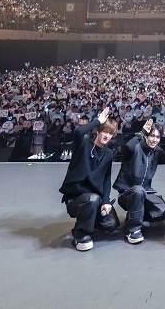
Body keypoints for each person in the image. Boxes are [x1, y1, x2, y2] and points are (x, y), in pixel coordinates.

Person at [58, 107, 121, 251]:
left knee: (111, 224)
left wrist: (106, 201)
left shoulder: (108, 153)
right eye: (104, 131)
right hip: (76, 199)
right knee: (92, 199)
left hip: (96, 200)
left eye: (110, 133)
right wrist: (98, 121)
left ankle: (86, 221)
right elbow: (79, 132)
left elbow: (106, 178)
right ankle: (81, 234)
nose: (107, 136)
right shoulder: (84, 145)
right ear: (97, 131)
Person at [113, 118, 165, 245]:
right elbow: (127, 148)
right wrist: (141, 132)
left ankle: (135, 217)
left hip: (145, 193)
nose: (154, 139)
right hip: (127, 194)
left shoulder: (156, 152)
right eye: (152, 135)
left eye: (157, 137)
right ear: (146, 136)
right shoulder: (135, 147)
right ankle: (132, 230)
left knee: (162, 211)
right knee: (138, 190)